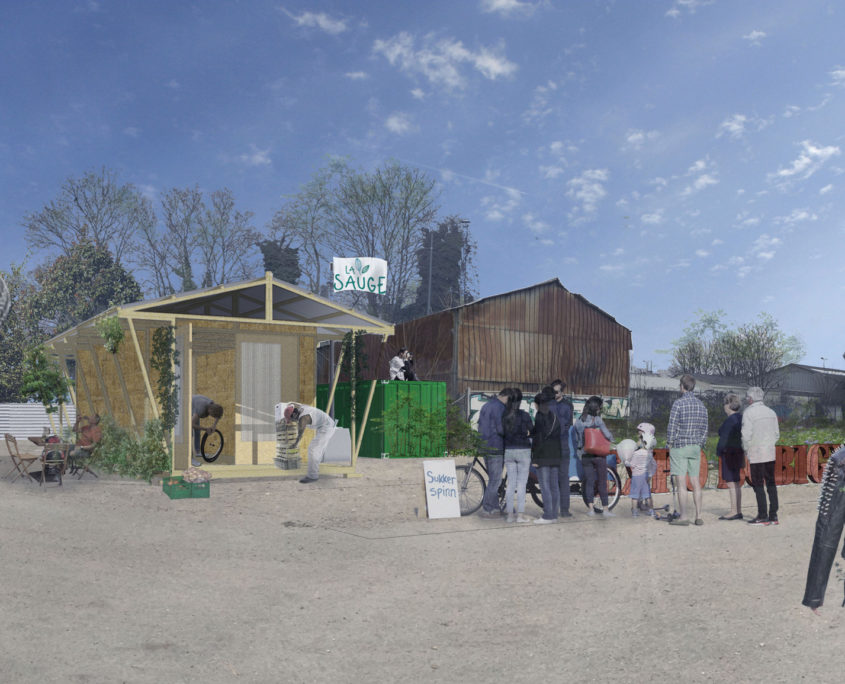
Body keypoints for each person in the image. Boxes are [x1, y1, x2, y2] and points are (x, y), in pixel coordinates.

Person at [666, 374, 708, 526]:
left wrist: (669, 442)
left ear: (682, 386)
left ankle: (683, 516)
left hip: (680, 446)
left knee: (681, 483)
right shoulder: (701, 406)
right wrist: (700, 444)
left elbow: (672, 426)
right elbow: (705, 428)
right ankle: (698, 515)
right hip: (695, 447)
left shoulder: (678, 404)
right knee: (695, 481)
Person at [742, 386, 780, 525]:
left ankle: (762, 514)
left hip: (756, 452)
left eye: (747, 397)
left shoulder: (748, 413)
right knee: (771, 482)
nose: (746, 399)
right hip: (770, 451)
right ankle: (774, 515)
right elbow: (777, 434)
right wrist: (769, 444)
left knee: (758, 484)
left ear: (750, 399)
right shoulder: (771, 412)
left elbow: (746, 435)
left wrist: (746, 449)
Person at [574, 395, 615, 517]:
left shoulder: (579, 421)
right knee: (602, 482)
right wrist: (613, 439)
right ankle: (606, 510)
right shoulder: (597, 420)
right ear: (596, 408)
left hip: (585, 456)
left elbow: (577, 440)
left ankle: (591, 509)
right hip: (598, 455)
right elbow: (607, 435)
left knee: (589, 482)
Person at [476, 388, 510, 518]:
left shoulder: (486, 405)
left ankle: (495, 508)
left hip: (484, 445)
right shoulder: (500, 408)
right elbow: (501, 429)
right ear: (506, 397)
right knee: (495, 480)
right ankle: (487, 508)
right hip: (496, 446)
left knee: (493, 479)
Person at [283, 402, 337, 483]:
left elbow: (299, 436)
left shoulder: (303, 419)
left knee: (312, 449)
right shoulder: (301, 408)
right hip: (324, 425)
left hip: (327, 427)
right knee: (317, 451)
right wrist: (289, 404)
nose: (293, 422)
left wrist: (294, 445)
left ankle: (312, 476)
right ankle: (315, 469)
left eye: (292, 420)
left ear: (294, 415)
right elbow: (294, 403)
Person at [502, 388, 533, 523]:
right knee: (521, 484)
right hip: (523, 450)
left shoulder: (504, 415)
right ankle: (520, 516)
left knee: (511, 484)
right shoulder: (525, 415)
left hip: (509, 450)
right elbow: (533, 431)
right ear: (520, 401)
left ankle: (509, 516)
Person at [531, 392, 562, 524]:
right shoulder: (554, 416)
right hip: (555, 455)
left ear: (537, 404)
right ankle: (554, 514)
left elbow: (538, 440)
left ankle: (548, 515)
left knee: (545, 486)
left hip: (543, 456)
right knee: (554, 485)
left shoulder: (539, 417)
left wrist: (535, 459)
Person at [717, 393, 745, 521]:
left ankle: (733, 511)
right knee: (736, 482)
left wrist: (718, 452)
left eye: (725, 404)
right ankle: (738, 510)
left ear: (728, 404)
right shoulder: (741, 418)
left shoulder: (730, 420)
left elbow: (723, 437)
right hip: (738, 452)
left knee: (730, 482)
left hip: (728, 453)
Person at [549, 379, 574, 517]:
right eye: (553, 391)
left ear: (562, 392)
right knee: (555, 478)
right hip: (555, 445)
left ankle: (564, 509)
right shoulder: (550, 404)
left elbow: (568, 424)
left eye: (557, 391)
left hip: (561, 445)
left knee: (563, 478)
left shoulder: (567, 405)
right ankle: (557, 509)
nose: (554, 394)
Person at [191, 395, 223, 466]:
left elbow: (218, 415)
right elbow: (191, 424)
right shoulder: (201, 410)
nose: (213, 417)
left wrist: (214, 426)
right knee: (190, 435)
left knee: (197, 432)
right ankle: (190, 459)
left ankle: (198, 451)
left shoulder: (213, 405)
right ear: (210, 412)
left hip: (195, 404)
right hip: (185, 408)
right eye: (213, 416)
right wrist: (205, 429)